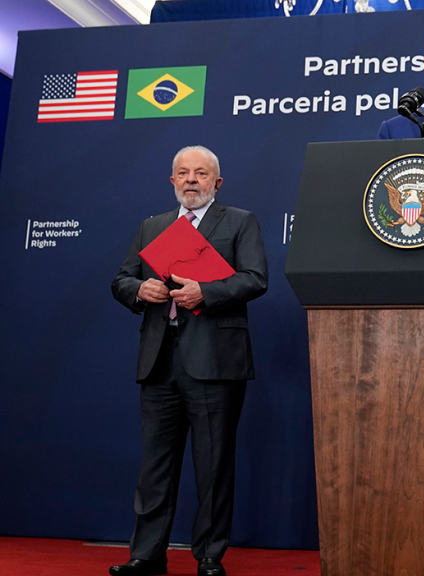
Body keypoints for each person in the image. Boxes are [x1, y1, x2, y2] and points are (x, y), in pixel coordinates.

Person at [110, 146, 268, 576]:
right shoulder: (153, 226)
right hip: (159, 361)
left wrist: (207, 292)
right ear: (172, 182)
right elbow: (122, 278)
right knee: (155, 466)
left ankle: (209, 556)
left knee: (213, 466)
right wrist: (138, 291)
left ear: (217, 183)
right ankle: (146, 554)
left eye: (201, 174)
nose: (191, 180)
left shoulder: (239, 221)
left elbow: (255, 279)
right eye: (183, 173)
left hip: (216, 362)